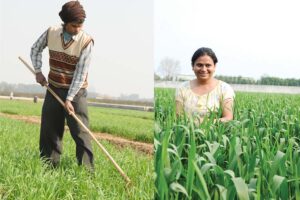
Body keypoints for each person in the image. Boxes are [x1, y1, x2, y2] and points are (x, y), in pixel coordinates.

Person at [30, 1, 94, 170]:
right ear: (65, 23)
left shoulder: (86, 42)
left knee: (81, 132)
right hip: (54, 87)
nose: (78, 29)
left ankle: (87, 172)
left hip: (77, 92)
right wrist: (38, 71)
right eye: (74, 26)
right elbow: (35, 49)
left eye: (81, 25)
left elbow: (80, 74)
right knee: (50, 129)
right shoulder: (51, 32)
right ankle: (48, 167)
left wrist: (70, 99)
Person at [176, 47, 235, 123]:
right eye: (199, 65)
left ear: (214, 66)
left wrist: (201, 123)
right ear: (192, 66)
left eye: (208, 65)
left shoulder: (224, 89)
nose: (204, 69)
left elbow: (228, 118)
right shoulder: (182, 88)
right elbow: (178, 118)